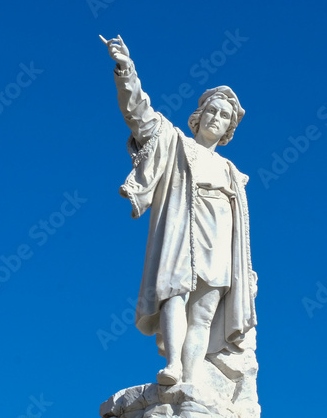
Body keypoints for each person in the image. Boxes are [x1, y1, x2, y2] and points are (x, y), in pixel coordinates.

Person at [102, 35, 257, 386]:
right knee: (175, 289)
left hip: (219, 235)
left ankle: (190, 377)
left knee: (204, 311)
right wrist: (126, 70)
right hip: (183, 225)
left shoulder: (232, 172)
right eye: (212, 111)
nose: (216, 118)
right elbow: (138, 115)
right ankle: (173, 364)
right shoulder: (174, 142)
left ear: (230, 129)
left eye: (225, 116)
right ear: (199, 116)